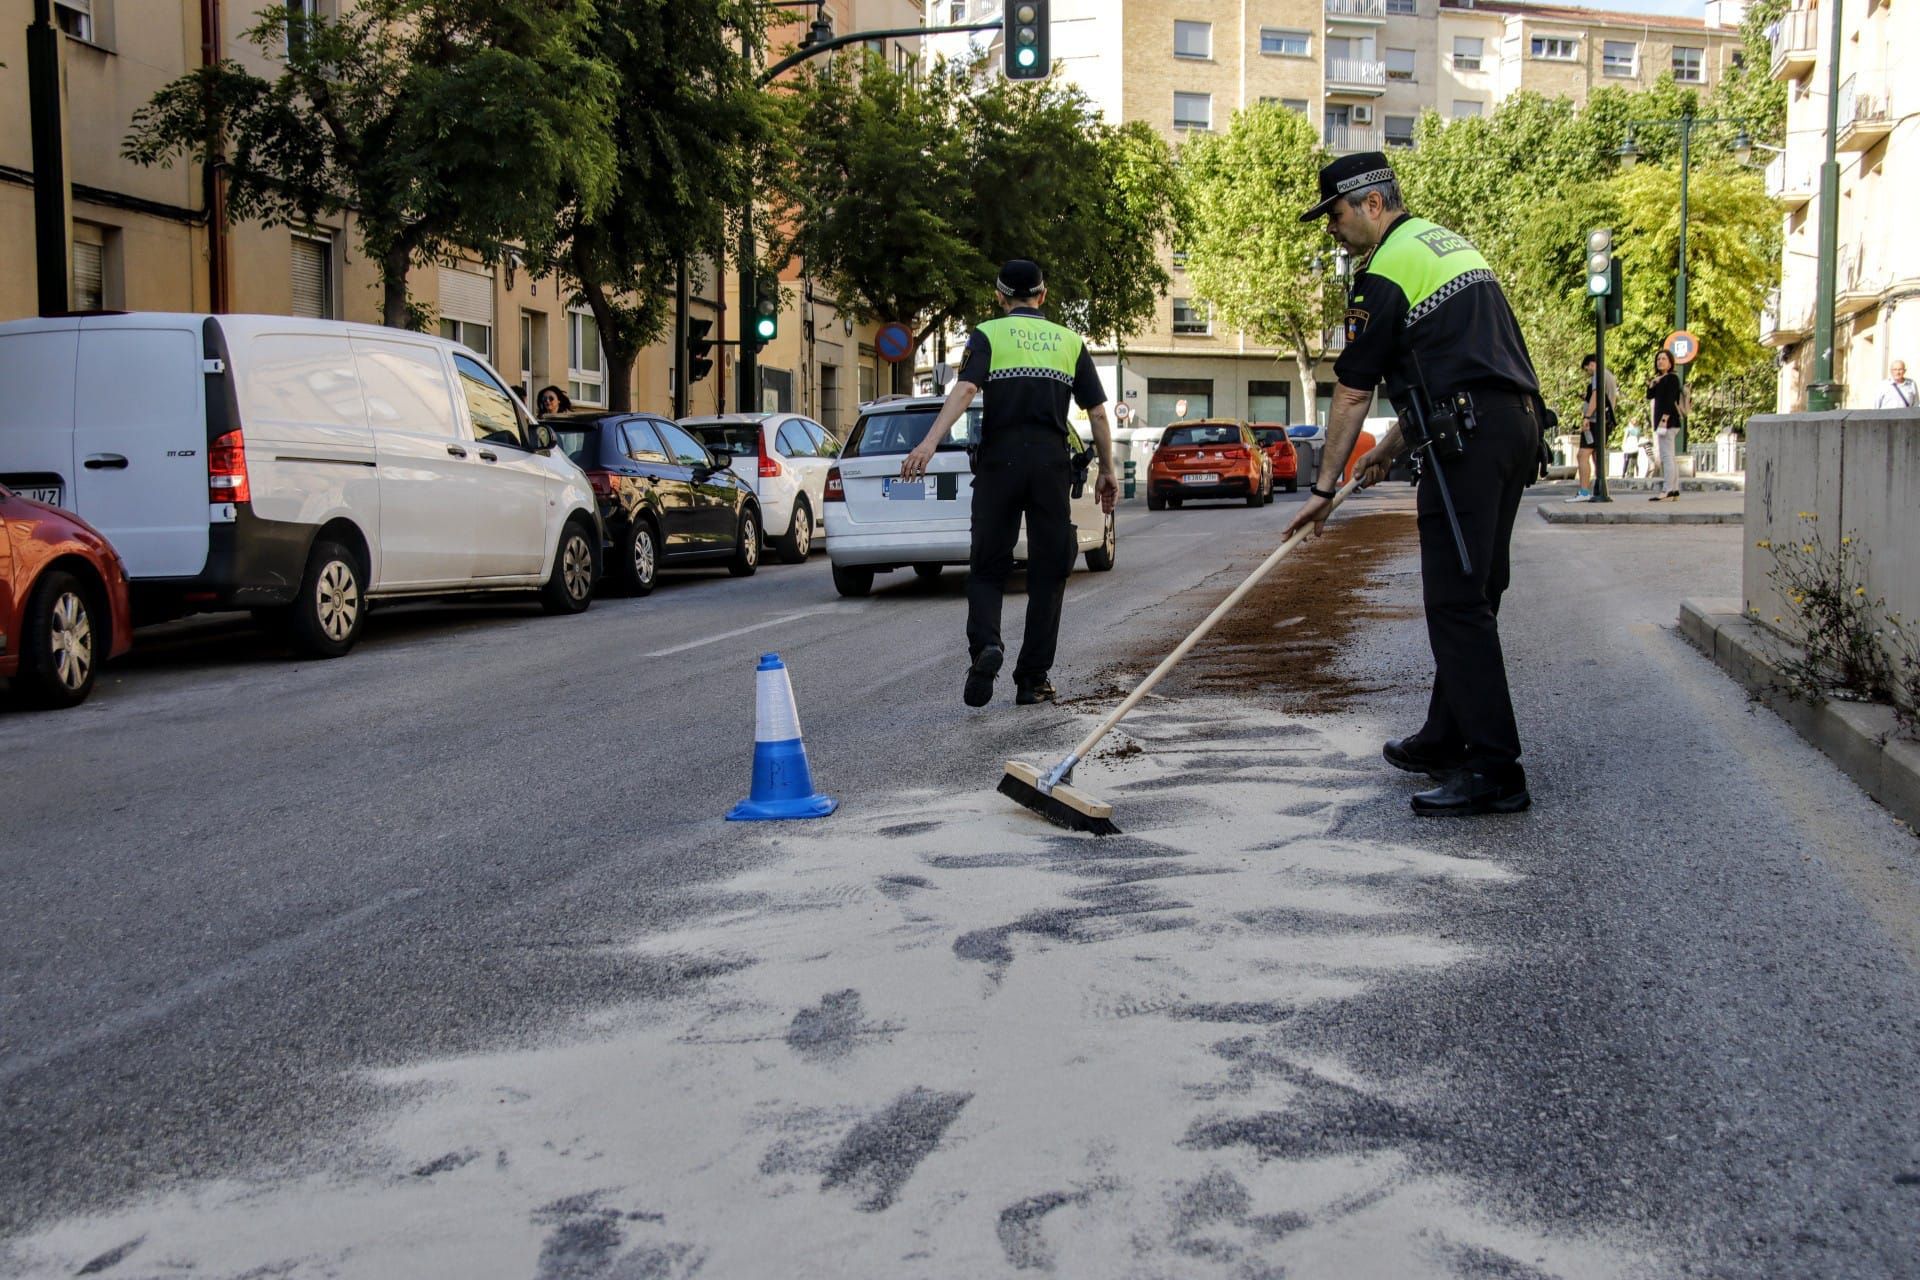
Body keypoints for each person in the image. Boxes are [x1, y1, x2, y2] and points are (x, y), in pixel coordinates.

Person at [1284, 152, 1541, 816]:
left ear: (1371, 203)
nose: (1331, 230)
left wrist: (1322, 490)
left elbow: (1350, 391)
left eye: (1334, 215)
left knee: (1457, 601)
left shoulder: (1383, 273)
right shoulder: (1445, 245)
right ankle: (1444, 734)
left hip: (1472, 438)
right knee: (1477, 588)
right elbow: (1452, 365)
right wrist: (1392, 447)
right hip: (1509, 427)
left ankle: (1494, 770)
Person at [901, 259, 1117, 707]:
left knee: (986, 566)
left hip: (999, 461)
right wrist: (1109, 471)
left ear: (1000, 296)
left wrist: (927, 444)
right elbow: (1097, 412)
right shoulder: (1069, 341)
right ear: (1043, 295)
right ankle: (1032, 679)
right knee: (1049, 569)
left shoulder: (988, 335)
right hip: (1049, 466)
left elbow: (964, 391)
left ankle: (987, 647)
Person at [1569, 353, 1618, 501]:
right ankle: (1600, 489)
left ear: (1591, 364)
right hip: (1605, 420)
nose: (1588, 373)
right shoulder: (1609, 375)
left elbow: (1597, 395)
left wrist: (1587, 417)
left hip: (1595, 421)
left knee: (1582, 455)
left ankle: (1584, 492)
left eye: (1587, 369)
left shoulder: (1598, 374)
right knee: (1597, 456)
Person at [1646, 348, 1683, 502]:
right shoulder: (1661, 379)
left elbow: (1669, 400)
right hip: (1666, 422)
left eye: (1664, 359)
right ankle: (1674, 490)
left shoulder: (1672, 379)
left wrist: (1664, 420)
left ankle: (1667, 489)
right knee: (1670, 457)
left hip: (1667, 422)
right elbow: (1650, 395)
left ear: (1670, 362)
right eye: (1658, 359)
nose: (1660, 361)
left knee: (1666, 457)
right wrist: (1652, 383)